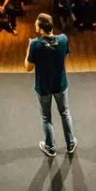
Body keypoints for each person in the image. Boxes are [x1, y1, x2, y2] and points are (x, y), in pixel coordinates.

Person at [25, 13, 76, 157]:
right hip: (60, 84)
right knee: (65, 113)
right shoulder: (64, 39)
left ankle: (50, 147)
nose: (35, 27)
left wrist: (28, 49)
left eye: (36, 25)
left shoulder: (35, 44)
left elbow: (28, 68)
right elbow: (64, 60)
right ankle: (70, 144)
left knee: (46, 117)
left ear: (41, 29)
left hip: (43, 87)